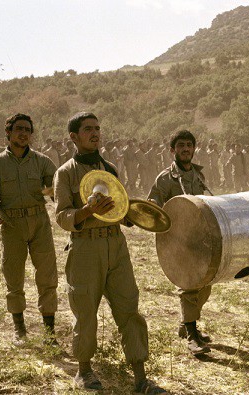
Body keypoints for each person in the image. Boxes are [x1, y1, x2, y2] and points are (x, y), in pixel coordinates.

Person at [54, 112, 166, 394]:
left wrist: (137, 213)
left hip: (116, 245)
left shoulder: (110, 169)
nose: (95, 133)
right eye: (88, 129)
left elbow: (120, 209)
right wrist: (87, 211)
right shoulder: (65, 173)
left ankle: (140, 378)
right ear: (74, 137)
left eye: (97, 128)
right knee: (85, 311)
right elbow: (63, 216)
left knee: (129, 308)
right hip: (85, 248)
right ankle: (84, 371)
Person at [0, 113, 58, 345]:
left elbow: (56, 190)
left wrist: (53, 193)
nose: (23, 133)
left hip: (39, 222)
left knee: (47, 276)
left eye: (27, 130)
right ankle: (20, 330)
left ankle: (49, 334)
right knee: (13, 277)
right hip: (12, 225)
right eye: (18, 129)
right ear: (8, 133)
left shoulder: (43, 162)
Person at [147, 130, 212, 356]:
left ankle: (186, 324)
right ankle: (192, 337)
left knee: (205, 284)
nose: (186, 149)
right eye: (181, 145)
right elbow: (153, 202)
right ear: (172, 150)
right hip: (177, 240)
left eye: (189, 145)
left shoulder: (198, 176)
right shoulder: (165, 178)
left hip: (200, 239)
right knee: (188, 285)